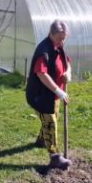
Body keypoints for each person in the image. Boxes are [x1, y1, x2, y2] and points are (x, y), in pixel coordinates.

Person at [26, 19, 73, 170]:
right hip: (40, 96)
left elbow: (67, 63)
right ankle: (54, 157)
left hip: (54, 96)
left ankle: (41, 140)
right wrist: (58, 90)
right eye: (60, 37)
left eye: (64, 38)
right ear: (51, 34)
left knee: (52, 120)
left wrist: (68, 73)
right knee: (50, 122)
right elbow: (41, 74)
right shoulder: (44, 50)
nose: (62, 41)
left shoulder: (59, 46)